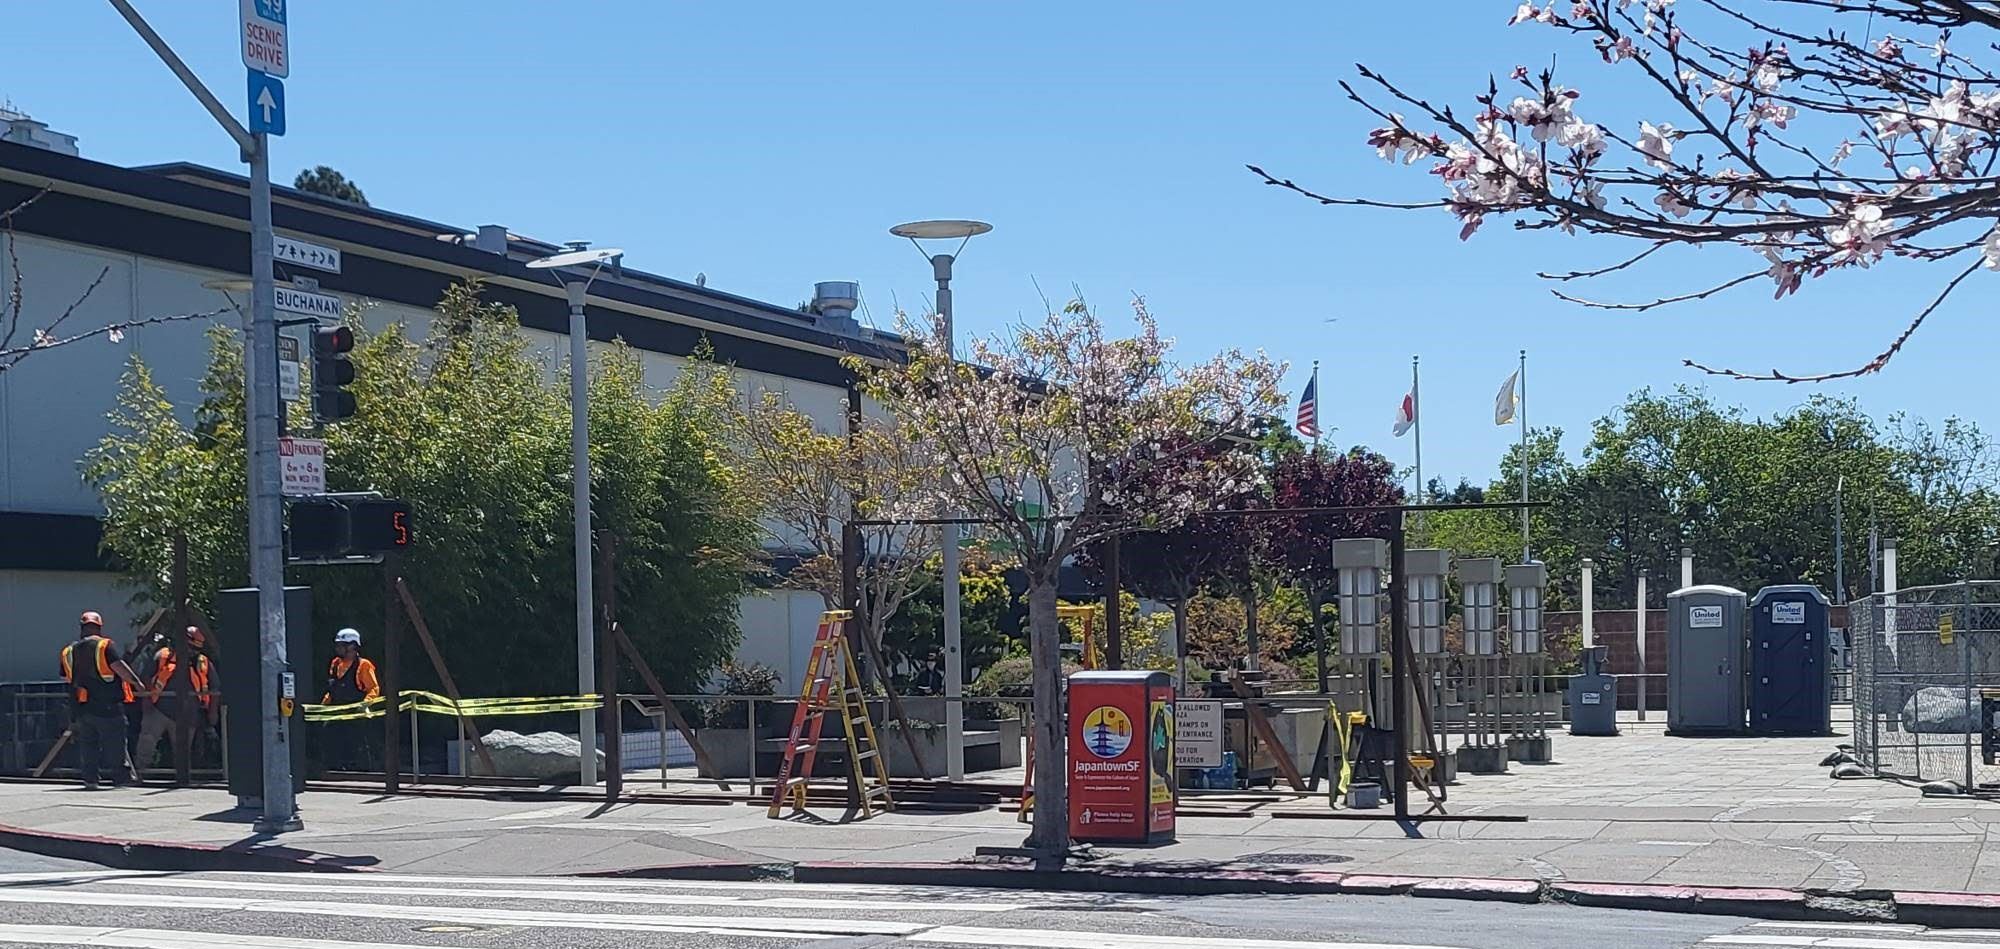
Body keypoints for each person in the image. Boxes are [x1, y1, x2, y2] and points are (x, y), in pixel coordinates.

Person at [59, 612, 142, 790]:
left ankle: (90, 780)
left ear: (82, 628)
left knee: (89, 746)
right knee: (115, 744)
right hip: (108, 706)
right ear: (99, 627)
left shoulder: (68, 651)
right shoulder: (105, 646)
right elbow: (120, 668)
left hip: (82, 708)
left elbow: (67, 679)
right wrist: (137, 683)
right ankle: (120, 778)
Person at [136, 626, 218, 777]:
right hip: (158, 710)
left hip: (188, 715)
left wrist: (212, 713)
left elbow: (214, 689)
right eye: (191, 647)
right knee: (146, 743)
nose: (193, 652)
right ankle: (140, 774)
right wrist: (146, 701)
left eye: (196, 649)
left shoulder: (203, 663)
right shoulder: (163, 656)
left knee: (183, 751)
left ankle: (182, 778)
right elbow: (146, 678)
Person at [322, 628, 380, 772]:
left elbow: (374, 688)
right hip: (337, 710)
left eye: (342, 645)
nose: (339, 649)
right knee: (331, 736)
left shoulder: (363, 665)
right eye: (338, 645)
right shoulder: (335, 664)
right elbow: (333, 688)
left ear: (353, 646)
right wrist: (323, 705)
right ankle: (335, 768)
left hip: (355, 713)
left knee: (356, 741)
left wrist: (365, 703)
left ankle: (360, 770)